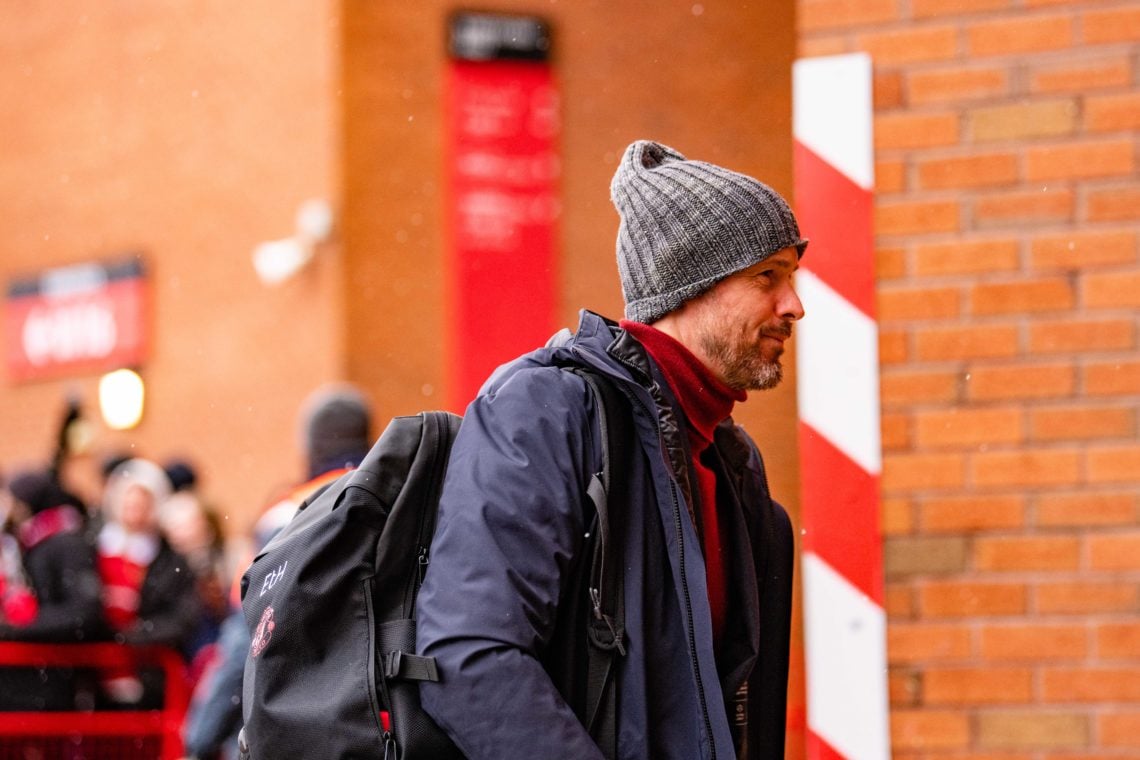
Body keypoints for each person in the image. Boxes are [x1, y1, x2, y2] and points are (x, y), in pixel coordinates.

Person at [416, 140, 805, 759]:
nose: (794, 306)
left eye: (792, 278)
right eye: (768, 277)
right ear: (689, 285)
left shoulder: (731, 461)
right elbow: (469, 659)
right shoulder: (547, 411)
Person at [180, 383, 373, 760]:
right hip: (379, 722)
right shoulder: (401, 501)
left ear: (310, 446)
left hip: (294, 725)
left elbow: (246, 641)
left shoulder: (285, 519)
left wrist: (201, 738)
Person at [97, 457, 201, 706]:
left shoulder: (170, 561)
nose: (134, 509)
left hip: (149, 675)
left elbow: (183, 617)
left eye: (142, 503)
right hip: (95, 673)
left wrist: (135, 635)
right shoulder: (92, 548)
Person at [0, 469, 106, 711]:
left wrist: (18, 629)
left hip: (55, 677)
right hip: (32, 677)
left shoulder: (65, 544)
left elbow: (83, 612)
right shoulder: (27, 544)